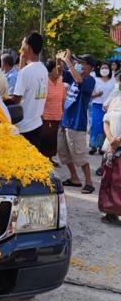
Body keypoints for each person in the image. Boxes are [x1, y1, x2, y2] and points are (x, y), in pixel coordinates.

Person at [57, 50, 96, 194]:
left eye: (82, 63)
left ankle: (89, 182)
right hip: (65, 121)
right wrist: (59, 60)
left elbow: (79, 80)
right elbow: (60, 73)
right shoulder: (74, 76)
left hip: (77, 123)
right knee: (64, 153)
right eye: (78, 63)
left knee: (79, 156)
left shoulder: (89, 80)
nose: (79, 65)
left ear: (90, 67)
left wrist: (69, 62)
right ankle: (74, 178)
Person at [5, 32, 48, 150]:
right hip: (37, 124)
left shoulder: (25, 72)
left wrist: (0, 100)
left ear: (28, 47)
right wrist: (22, 59)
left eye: (22, 45)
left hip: (24, 128)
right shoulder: (43, 69)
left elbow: (16, 100)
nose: (20, 49)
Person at [98, 69, 121, 223]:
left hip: (118, 147)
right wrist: (111, 139)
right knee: (109, 180)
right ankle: (110, 213)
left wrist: (117, 141)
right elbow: (106, 120)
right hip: (111, 148)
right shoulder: (115, 98)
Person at [41, 59, 66, 165]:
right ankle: (43, 160)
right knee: (46, 139)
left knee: (53, 140)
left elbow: (63, 99)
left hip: (58, 116)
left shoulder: (61, 81)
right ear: (50, 70)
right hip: (45, 116)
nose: (60, 70)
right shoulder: (44, 82)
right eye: (57, 68)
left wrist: (63, 113)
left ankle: (50, 158)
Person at [89, 62, 115, 154]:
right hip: (97, 105)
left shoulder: (113, 80)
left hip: (109, 106)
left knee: (107, 126)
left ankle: (102, 147)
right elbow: (89, 94)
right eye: (102, 68)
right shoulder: (95, 80)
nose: (104, 70)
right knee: (96, 125)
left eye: (106, 68)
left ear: (109, 70)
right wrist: (96, 95)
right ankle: (93, 146)